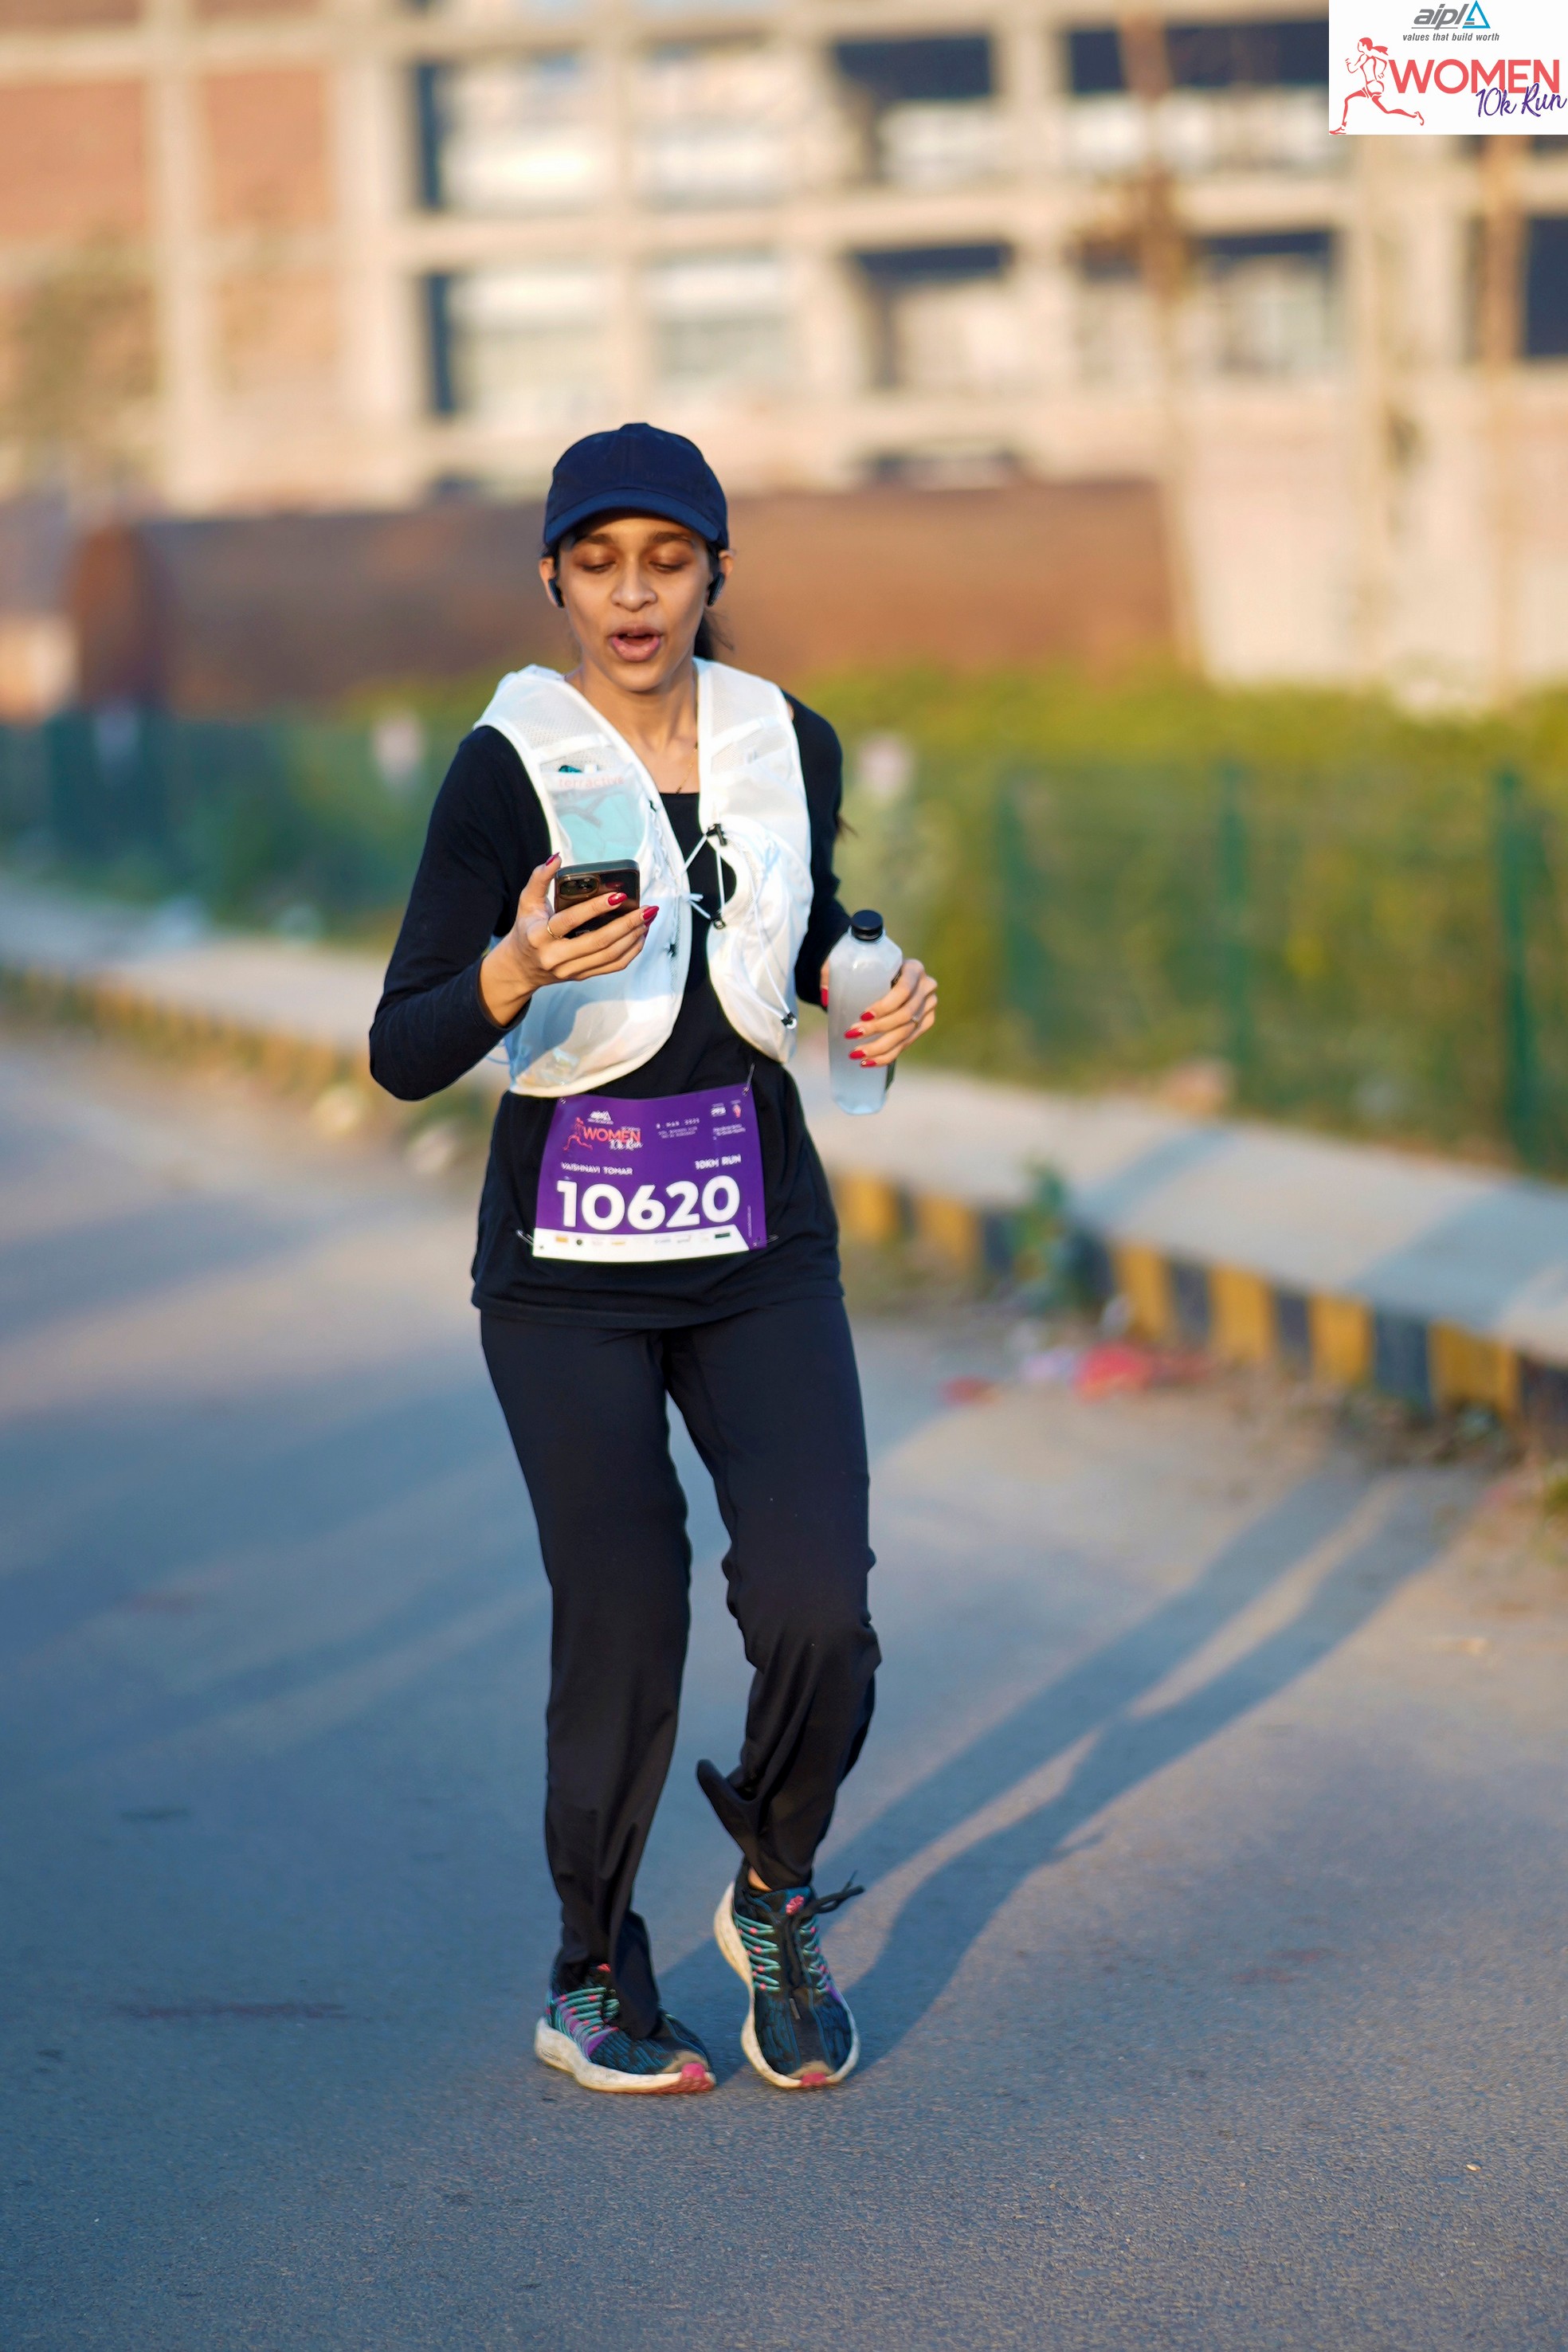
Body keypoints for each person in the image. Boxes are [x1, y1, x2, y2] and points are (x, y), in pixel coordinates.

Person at [370, 421, 937, 2095]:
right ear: (554, 577)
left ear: (713, 574)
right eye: (601, 563)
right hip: (566, 1266)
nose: (635, 596)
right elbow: (402, 1046)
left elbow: (792, 922)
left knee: (821, 1607)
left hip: (759, 1242)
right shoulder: (507, 768)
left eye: (669, 562)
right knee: (625, 1616)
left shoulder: (784, 739)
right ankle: (590, 1971)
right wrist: (512, 967)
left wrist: (864, 981)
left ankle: (773, 1889)